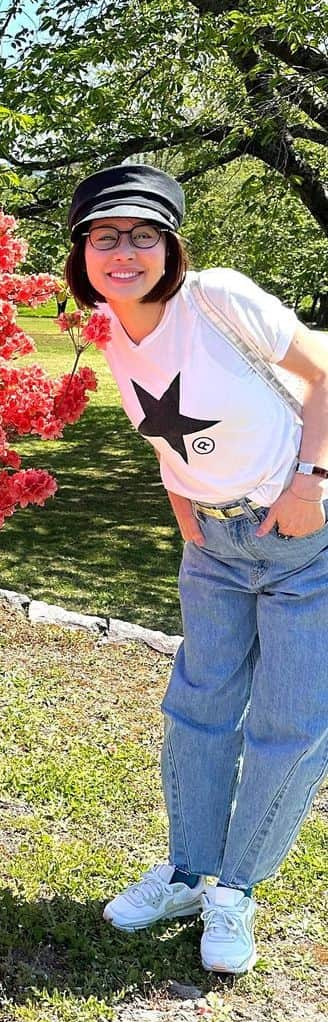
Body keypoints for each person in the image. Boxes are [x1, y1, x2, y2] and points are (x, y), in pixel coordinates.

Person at [64, 163, 328, 975]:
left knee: (288, 722)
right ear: (82, 253)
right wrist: (178, 494)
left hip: (300, 535)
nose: (125, 250)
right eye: (106, 235)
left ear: (171, 247)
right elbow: (164, 427)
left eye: (144, 233)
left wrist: (311, 483)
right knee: (198, 708)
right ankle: (185, 874)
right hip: (211, 546)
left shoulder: (215, 295)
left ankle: (236, 888)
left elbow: (323, 370)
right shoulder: (109, 327)